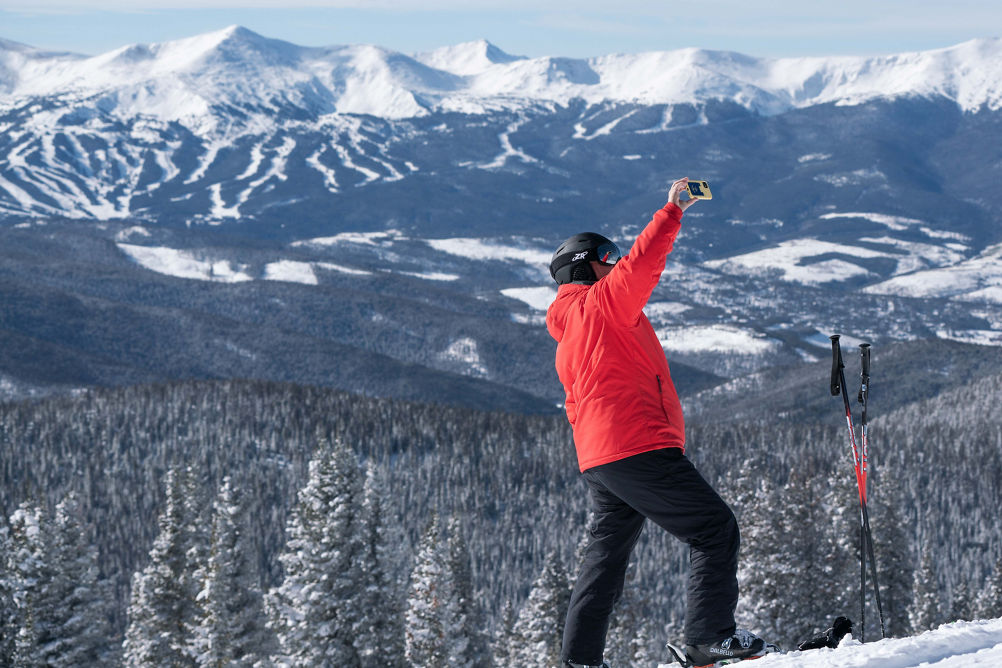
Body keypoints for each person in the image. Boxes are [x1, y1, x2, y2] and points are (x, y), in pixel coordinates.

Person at [545, 178, 778, 668]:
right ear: (582, 267)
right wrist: (672, 211)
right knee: (714, 529)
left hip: (603, 458)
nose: (611, 261)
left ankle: (579, 660)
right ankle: (708, 638)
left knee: (606, 557)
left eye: (611, 254)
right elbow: (641, 266)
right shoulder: (601, 305)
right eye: (602, 255)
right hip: (637, 446)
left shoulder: (570, 327)